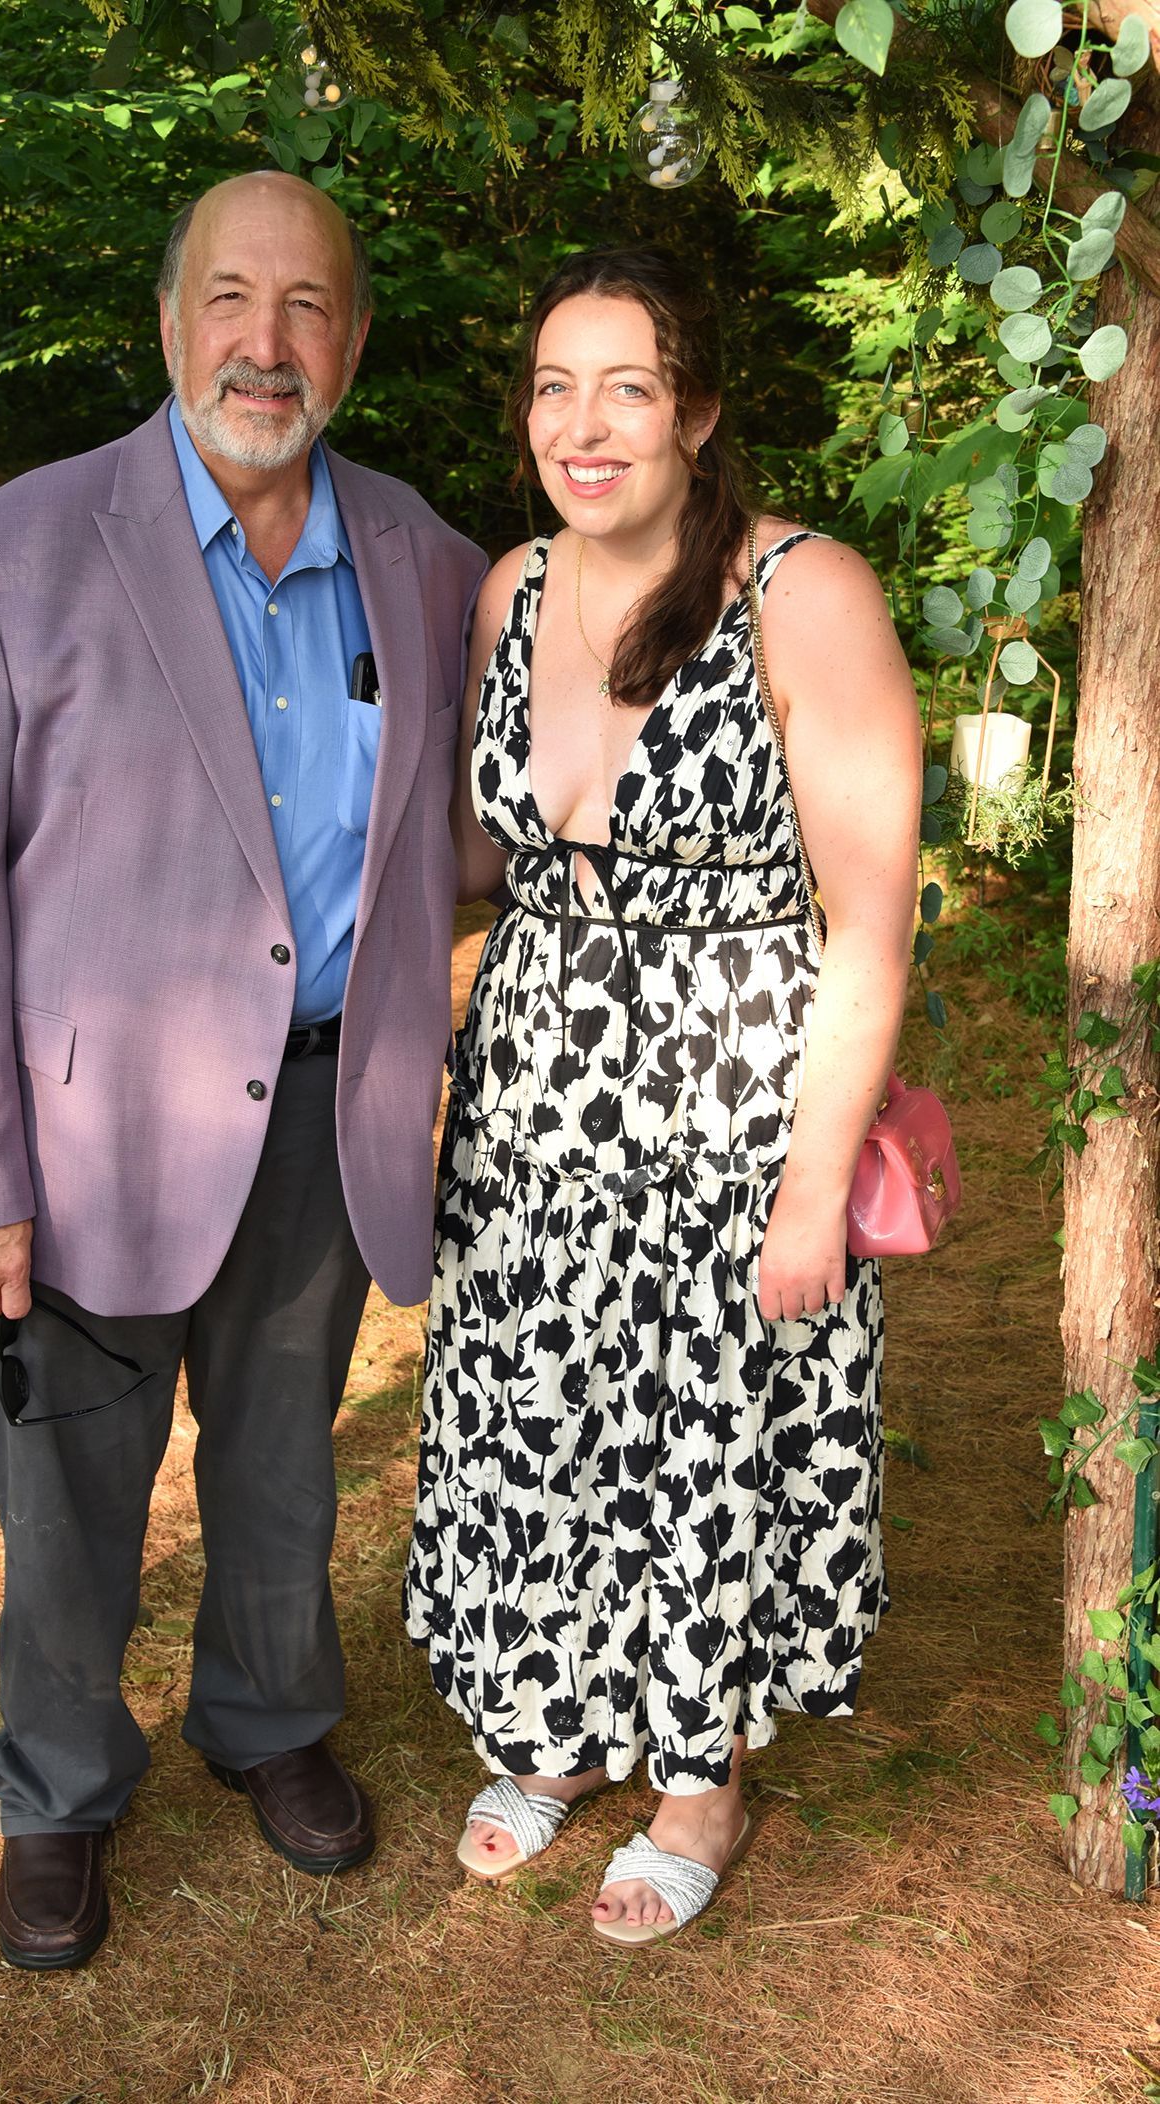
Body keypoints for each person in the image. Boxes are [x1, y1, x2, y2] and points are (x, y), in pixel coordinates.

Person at [0, 171, 485, 1970]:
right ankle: (57, 1790)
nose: (266, 344)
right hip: (85, 1142)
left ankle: (269, 1720)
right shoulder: (14, 554)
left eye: (306, 309)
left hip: (325, 1111)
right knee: (67, 1501)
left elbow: (494, 799)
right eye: (231, 299)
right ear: (169, 323)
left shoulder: (421, 555)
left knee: (285, 1463)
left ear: (353, 344)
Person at [404, 247, 921, 1947]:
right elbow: (493, 857)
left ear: (696, 412)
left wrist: (806, 1181)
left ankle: (700, 1770)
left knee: (703, 1436)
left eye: (628, 384)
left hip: (730, 1094)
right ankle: (552, 1725)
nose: (585, 421)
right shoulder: (510, 590)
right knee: (542, 1410)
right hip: (536, 1087)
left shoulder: (801, 592)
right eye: (555, 385)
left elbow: (870, 917)